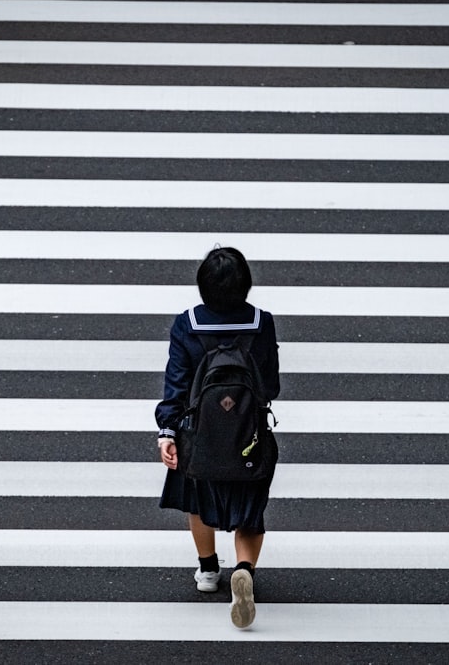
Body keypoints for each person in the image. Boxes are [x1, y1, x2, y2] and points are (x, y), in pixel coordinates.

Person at [155, 246, 281, 629]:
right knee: (250, 509)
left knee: (197, 500)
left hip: (200, 437)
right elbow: (270, 385)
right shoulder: (262, 322)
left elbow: (175, 385)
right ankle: (244, 569)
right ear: (246, 284)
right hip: (248, 436)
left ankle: (209, 571)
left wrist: (167, 432)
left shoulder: (187, 324)